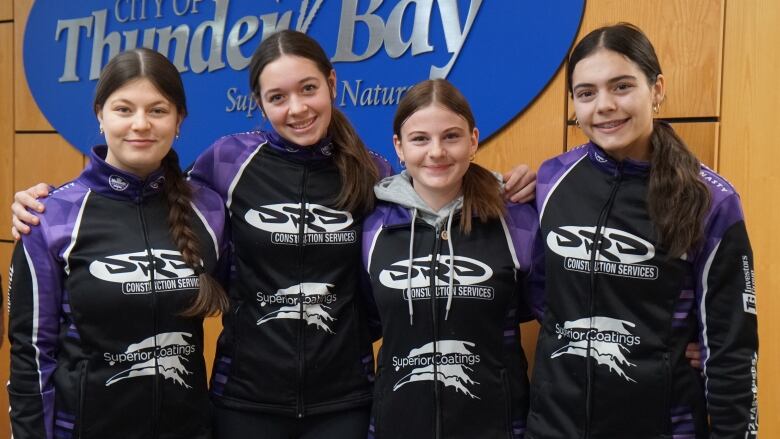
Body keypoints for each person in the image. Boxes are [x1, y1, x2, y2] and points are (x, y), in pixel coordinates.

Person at [10, 30, 536, 439]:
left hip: (345, 401)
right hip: (244, 400)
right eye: (277, 96)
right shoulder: (226, 165)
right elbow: (144, 198)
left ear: (331, 85)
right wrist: (51, 199)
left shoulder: (372, 172)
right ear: (260, 105)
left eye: (308, 89)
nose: (297, 108)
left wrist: (503, 184)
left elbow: (432, 185)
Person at [526, 23, 758, 438]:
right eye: (586, 93)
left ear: (657, 89)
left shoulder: (711, 200)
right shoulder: (552, 180)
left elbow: (732, 350)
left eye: (621, 87)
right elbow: (543, 295)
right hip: (555, 426)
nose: (604, 106)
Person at [7, 48, 228, 439]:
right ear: (100, 115)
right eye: (123, 109)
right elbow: (31, 354)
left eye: (157, 110)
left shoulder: (208, 208)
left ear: (179, 120)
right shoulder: (51, 216)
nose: (140, 124)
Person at [362, 79, 538, 438]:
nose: (437, 152)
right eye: (420, 139)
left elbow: (559, 311)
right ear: (399, 146)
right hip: (398, 425)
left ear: (473, 140)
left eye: (451, 137)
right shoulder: (372, 228)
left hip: (497, 427)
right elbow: (363, 322)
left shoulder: (516, 219)